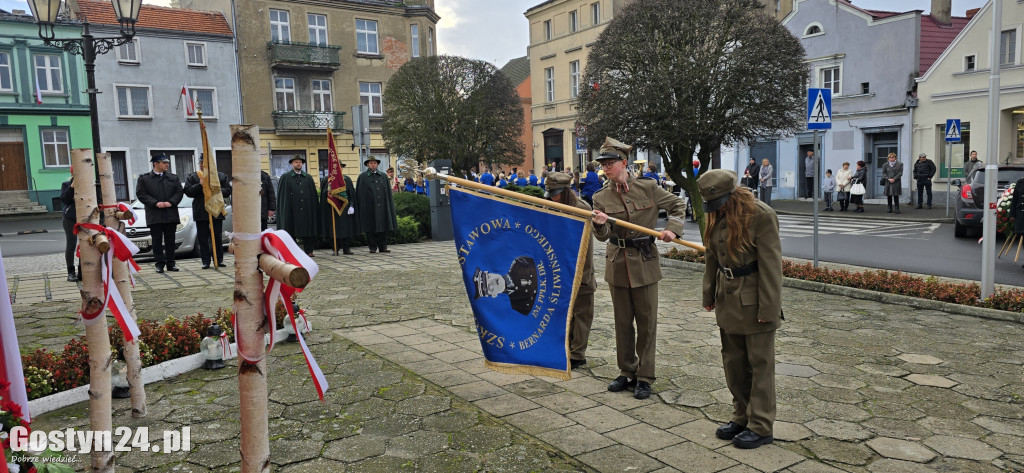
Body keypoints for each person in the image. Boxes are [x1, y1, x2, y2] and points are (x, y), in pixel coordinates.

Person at [591, 137, 686, 400]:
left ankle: (645, 376)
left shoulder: (648, 188)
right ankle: (626, 370)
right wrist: (599, 224)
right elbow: (602, 236)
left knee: (646, 323)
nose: (606, 168)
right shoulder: (600, 197)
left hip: (644, 261)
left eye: (610, 163)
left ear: (624, 162)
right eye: (603, 164)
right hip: (617, 262)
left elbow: (678, 205)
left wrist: (672, 230)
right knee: (622, 323)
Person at [698, 169, 783, 450]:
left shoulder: (761, 215)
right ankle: (741, 416)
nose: (716, 208)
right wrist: (709, 293)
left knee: (759, 364)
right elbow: (712, 255)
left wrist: (769, 308)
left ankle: (760, 425)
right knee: (733, 361)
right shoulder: (718, 212)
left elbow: (772, 266)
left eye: (719, 202)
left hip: (754, 297)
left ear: (731, 195)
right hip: (727, 295)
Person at [545, 172, 595, 369]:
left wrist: (583, 274)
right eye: (550, 193)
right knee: (564, 312)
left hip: (579, 270)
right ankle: (565, 348)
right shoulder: (550, 205)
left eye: (555, 193)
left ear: (566, 191)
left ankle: (578, 354)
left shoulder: (581, 209)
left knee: (581, 314)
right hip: (559, 269)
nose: (551, 197)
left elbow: (584, 246)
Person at [136, 154, 184, 273]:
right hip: (155, 214)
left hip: (170, 213)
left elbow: (179, 192)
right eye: (164, 162)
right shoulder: (144, 178)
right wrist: (155, 203)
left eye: (167, 162)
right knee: (156, 241)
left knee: (170, 241)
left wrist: (171, 202)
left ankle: (171, 264)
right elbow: (141, 194)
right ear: (155, 164)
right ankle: (159, 264)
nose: (167, 164)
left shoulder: (173, 178)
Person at [183, 154, 231, 269]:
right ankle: (205, 261)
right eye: (199, 163)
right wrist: (200, 185)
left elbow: (228, 191)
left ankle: (218, 259)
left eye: (203, 164)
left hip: (216, 211)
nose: (200, 165)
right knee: (203, 238)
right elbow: (188, 191)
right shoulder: (194, 176)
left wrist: (215, 189)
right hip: (201, 211)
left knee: (217, 237)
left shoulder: (221, 176)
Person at [276, 155, 321, 256]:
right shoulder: (285, 177)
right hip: (291, 209)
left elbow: (312, 195)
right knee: (291, 230)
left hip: (306, 209)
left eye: (300, 162)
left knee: (308, 230)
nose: (298, 164)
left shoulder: (308, 177)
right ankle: (293, 251)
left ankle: (309, 251)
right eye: (296, 162)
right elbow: (282, 196)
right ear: (292, 164)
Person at [356, 156, 398, 254]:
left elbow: (387, 192)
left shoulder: (383, 176)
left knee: (383, 226)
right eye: (371, 163)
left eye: (375, 163)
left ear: (377, 164)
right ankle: (372, 247)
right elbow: (359, 193)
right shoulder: (363, 177)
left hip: (382, 206)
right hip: (369, 207)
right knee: (370, 227)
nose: (373, 165)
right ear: (367, 165)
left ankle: (383, 247)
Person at [320, 163, 360, 255]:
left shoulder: (346, 179)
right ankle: (335, 248)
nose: (339, 168)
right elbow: (323, 195)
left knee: (346, 229)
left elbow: (351, 194)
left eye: (341, 167)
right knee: (333, 230)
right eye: (337, 167)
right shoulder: (327, 179)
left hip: (345, 207)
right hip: (332, 208)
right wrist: (330, 190)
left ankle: (346, 249)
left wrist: (352, 205)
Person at [60, 167, 79, 282]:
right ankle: (71, 272)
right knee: (71, 245)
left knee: (87, 245)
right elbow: (65, 200)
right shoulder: (66, 184)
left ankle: (83, 270)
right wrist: (72, 187)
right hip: (70, 218)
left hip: (86, 218)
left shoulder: (90, 184)